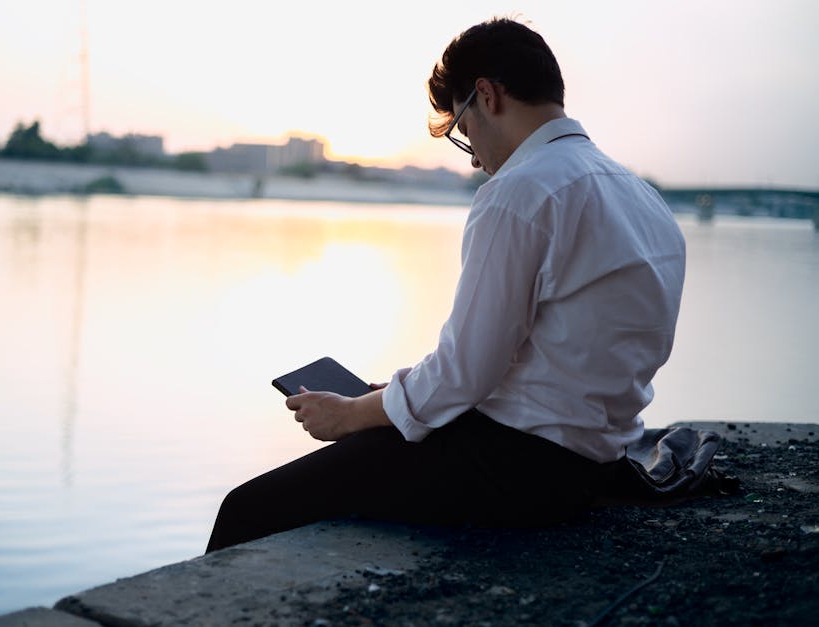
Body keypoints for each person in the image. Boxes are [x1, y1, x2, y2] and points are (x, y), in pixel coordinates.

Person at [206, 17, 685, 553]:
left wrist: (350, 415)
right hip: (599, 462)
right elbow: (538, 360)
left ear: (487, 95)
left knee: (247, 510)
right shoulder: (643, 197)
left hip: (516, 468)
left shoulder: (521, 192)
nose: (476, 157)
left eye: (464, 130)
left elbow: (466, 372)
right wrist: (392, 398)